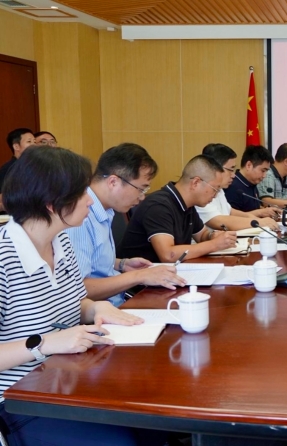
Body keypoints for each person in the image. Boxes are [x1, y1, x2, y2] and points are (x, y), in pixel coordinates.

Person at [0, 146, 170, 445]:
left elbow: (77, 301)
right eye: (81, 193)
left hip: (69, 375)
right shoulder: (4, 258)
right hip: (21, 397)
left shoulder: (61, 241)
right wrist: (45, 344)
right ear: (51, 203)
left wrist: (95, 309)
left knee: (156, 421)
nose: (90, 200)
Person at [65, 143, 186, 307]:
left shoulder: (105, 209)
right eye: (141, 189)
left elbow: (91, 260)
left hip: (116, 301)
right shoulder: (81, 216)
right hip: (100, 312)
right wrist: (139, 276)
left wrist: (121, 264)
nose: (142, 197)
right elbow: (77, 289)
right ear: (113, 182)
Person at [119, 155, 238, 263]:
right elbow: (168, 255)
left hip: (166, 273)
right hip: (138, 277)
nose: (215, 195)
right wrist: (214, 244)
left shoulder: (188, 204)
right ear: (196, 183)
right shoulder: (159, 205)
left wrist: (213, 236)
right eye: (215, 189)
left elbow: (202, 236)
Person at [197, 143, 279, 231]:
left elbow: (230, 211)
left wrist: (258, 218)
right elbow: (218, 221)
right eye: (230, 170)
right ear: (214, 168)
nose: (233, 175)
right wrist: (259, 222)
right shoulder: (201, 192)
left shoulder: (220, 190)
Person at [225, 145, 276, 213]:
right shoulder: (232, 186)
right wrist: (261, 213)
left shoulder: (252, 183)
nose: (264, 176)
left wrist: (267, 211)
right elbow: (231, 217)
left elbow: (254, 208)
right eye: (263, 171)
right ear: (249, 165)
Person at [0, 128, 35, 212]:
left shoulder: (32, 166)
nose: (34, 145)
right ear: (16, 146)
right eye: (29, 141)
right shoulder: (10, 168)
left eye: (35, 141)